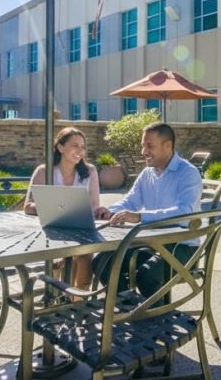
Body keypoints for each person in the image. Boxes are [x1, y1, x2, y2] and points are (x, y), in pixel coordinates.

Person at [93, 122, 202, 296]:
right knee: (103, 262)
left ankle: (154, 321)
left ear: (168, 145)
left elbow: (184, 214)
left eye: (149, 146)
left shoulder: (188, 173)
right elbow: (130, 202)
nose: (144, 152)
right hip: (150, 243)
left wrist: (139, 217)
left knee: (147, 274)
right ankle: (129, 309)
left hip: (182, 246)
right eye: (143, 146)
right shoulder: (147, 173)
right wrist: (109, 210)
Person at [23, 127, 106, 288]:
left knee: (85, 252)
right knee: (61, 258)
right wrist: (53, 206)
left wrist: (101, 211)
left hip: (81, 229)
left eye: (82, 147)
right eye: (75, 146)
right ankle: (56, 296)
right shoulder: (44, 171)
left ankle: (79, 300)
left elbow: (94, 206)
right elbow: (28, 206)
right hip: (52, 230)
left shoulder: (90, 171)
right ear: (61, 147)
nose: (80, 151)